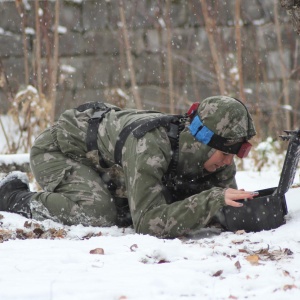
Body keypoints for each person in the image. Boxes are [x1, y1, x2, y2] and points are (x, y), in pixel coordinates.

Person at [0, 96, 257, 238]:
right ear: (202, 143)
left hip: (106, 164)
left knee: (144, 205)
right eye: (224, 153)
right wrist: (212, 199)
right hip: (59, 151)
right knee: (100, 214)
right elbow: (147, 223)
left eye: (233, 155)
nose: (228, 162)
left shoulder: (215, 156)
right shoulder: (151, 145)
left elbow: (226, 209)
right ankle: (13, 195)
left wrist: (254, 209)